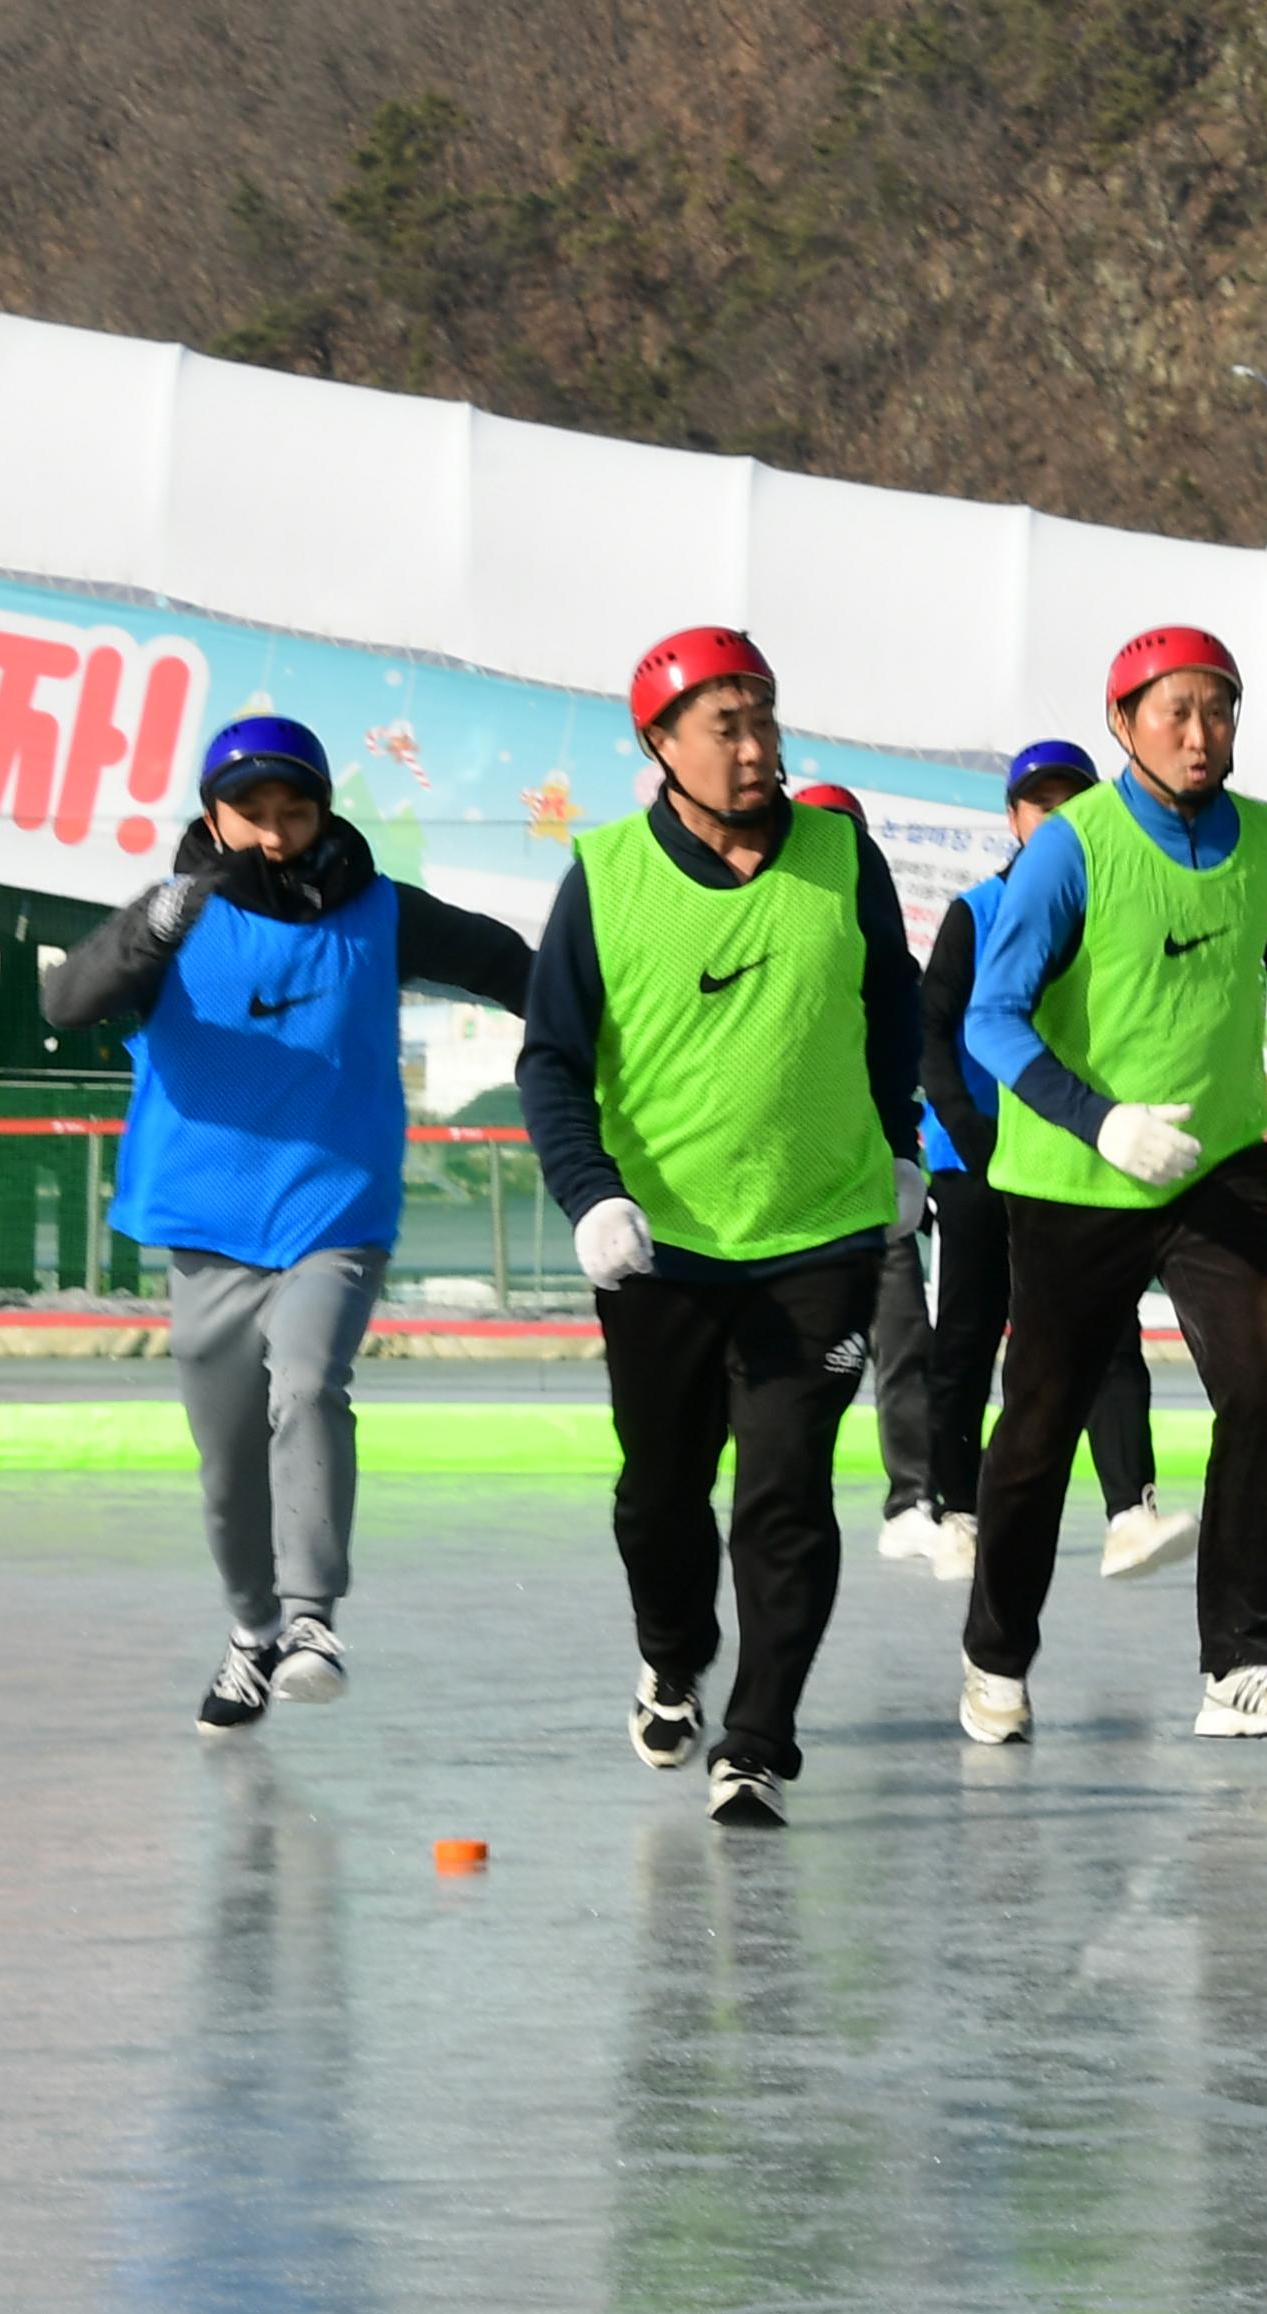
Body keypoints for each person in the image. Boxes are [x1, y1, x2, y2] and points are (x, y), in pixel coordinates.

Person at [44, 713, 533, 1735]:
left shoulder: (380, 912)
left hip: (334, 1207)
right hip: (210, 1223)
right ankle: (253, 1629)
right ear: (213, 817)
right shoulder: (173, 915)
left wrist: (603, 1035)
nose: (275, 833)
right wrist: (153, 926)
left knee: (308, 1383)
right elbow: (66, 1000)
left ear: (322, 813)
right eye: (251, 814)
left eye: (293, 811)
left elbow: (512, 965)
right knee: (228, 1471)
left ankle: (313, 1620)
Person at [518, 630, 926, 1827]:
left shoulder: (843, 857)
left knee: (788, 1489)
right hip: (663, 1245)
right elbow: (551, 1057)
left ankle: (758, 1737)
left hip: (821, 1233)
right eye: (725, 726)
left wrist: (900, 1141)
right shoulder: (603, 873)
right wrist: (591, 1193)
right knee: (660, 1490)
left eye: (766, 720)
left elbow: (891, 1002)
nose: (756, 748)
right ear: (662, 746)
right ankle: (671, 1649)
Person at [960, 626, 1267, 1748]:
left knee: (1261, 1397)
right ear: (1124, 724)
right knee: (1038, 1422)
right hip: (1074, 1175)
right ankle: (995, 1653)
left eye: (1219, 708)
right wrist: (1102, 1119)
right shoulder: (1072, 847)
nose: (1199, 731)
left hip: (1217, 1164)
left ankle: (1244, 1663)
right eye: (1174, 710)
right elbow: (991, 1018)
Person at [920, 737, 1195, 1588]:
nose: (1056, 815)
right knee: (967, 1335)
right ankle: (956, 1511)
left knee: (1109, 1333)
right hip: (980, 1163)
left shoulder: (1113, 907)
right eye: (1040, 803)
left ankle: (1129, 1513)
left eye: (1073, 800)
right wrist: (972, 1140)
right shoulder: (978, 910)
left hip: (1082, 1159)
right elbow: (936, 1035)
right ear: (1013, 818)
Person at [791, 780, 945, 1564]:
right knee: (783, 1364)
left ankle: (914, 1497)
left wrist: (908, 1159)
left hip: (869, 1182)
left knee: (903, 1338)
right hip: (778, 1194)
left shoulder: (886, 961)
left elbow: (913, 1059)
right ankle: (774, 1498)